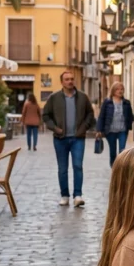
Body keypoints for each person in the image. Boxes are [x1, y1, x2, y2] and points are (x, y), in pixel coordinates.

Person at [42, 70, 96, 208]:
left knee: (78, 166)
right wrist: (55, 128)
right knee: (62, 168)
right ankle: (64, 195)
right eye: (67, 79)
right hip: (60, 139)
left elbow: (90, 114)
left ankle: (78, 195)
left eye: (72, 79)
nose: (70, 81)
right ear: (62, 82)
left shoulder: (82, 97)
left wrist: (83, 128)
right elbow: (46, 115)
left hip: (78, 138)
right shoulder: (54, 98)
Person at [97, 82, 134, 166]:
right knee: (113, 151)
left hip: (122, 130)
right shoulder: (107, 102)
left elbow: (130, 115)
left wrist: (129, 123)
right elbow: (101, 116)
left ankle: (121, 168)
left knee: (122, 151)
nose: (120, 91)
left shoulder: (126, 102)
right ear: (113, 91)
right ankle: (114, 167)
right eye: (117, 89)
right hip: (110, 131)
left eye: (121, 89)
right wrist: (99, 129)